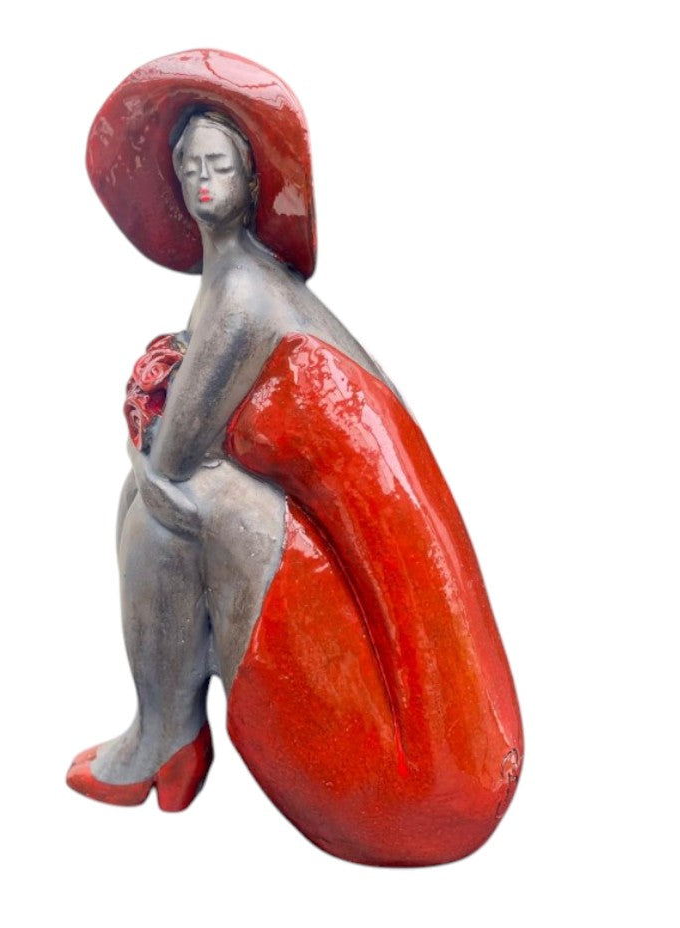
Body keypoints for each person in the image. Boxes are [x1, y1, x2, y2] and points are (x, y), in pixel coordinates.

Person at [68, 50, 522, 866]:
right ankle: (168, 736)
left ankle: (161, 739)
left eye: (219, 165)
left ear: (251, 180)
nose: (202, 182)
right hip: (449, 740)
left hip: (416, 770)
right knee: (151, 499)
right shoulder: (239, 286)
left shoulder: (245, 298)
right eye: (188, 167)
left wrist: (138, 422)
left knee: (174, 504)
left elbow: (175, 466)